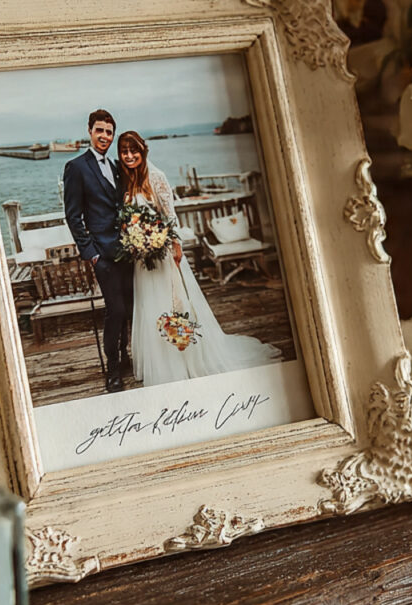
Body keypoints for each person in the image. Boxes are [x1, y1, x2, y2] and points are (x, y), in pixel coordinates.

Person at [116, 131, 281, 387]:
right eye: (124, 152)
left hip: (162, 255)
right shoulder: (126, 182)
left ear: (142, 150)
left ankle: (183, 359)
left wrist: (174, 244)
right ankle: (159, 362)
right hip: (141, 260)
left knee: (171, 303)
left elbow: (170, 216)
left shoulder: (156, 178)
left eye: (133, 150)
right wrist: (135, 240)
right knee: (149, 305)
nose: (129, 156)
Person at [63, 109, 134, 393]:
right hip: (102, 255)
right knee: (114, 311)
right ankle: (112, 369)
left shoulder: (117, 166)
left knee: (128, 308)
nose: (104, 136)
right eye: (100, 130)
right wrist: (90, 252)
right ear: (90, 132)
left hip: (127, 251)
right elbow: (73, 215)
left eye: (109, 131)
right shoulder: (76, 167)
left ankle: (126, 354)